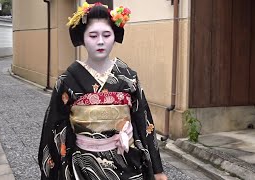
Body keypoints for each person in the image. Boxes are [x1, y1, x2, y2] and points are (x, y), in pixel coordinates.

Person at [38, 2, 167, 180]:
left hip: (126, 163)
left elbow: (143, 123)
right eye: (93, 35)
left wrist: (157, 169)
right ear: (82, 38)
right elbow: (54, 127)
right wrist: (52, 172)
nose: (100, 41)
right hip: (82, 166)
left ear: (115, 37)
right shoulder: (68, 80)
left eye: (106, 35)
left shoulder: (128, 78)